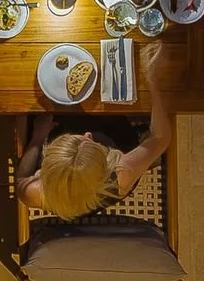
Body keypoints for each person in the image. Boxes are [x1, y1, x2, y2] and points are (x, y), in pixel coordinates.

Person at [16, 43, 172, 219]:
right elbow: (161, 138)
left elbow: (21, 178)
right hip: (115, 136)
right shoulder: (121, 175)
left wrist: (38, 138)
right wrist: (153, 81)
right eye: (89, 140)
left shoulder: (33, 192)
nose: (87, 134)